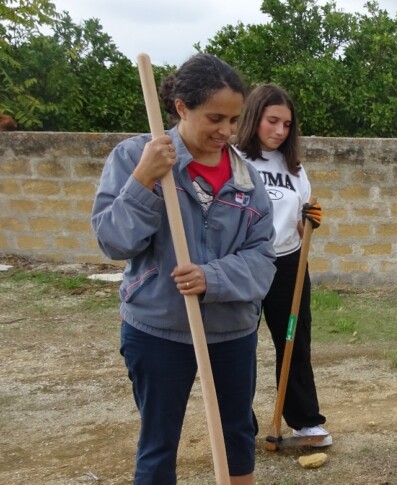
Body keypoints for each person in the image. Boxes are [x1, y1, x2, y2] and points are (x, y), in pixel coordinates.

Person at [91, 53, 276, 485]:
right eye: (215, 118)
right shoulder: (135, 157)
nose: (227, 132)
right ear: (180, 108)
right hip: (157, 328)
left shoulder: (246, 179)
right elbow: (113, 241)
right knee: (158, 443)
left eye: (233, 119)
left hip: (231, 330)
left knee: (236, 434)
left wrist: (211, 278)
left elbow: (262, 260)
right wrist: (144, 180)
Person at [234, 84, 330, 446]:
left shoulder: (294, 167)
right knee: (238, 345)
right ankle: (239, 426)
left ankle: (304, 421)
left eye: (287, 124)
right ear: (254, 117)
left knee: (293, 340)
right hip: (243, 263)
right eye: (272, 121)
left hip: (288, 263)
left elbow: (301, 221)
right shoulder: (233, 158)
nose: (279, 131)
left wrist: (311, 222)